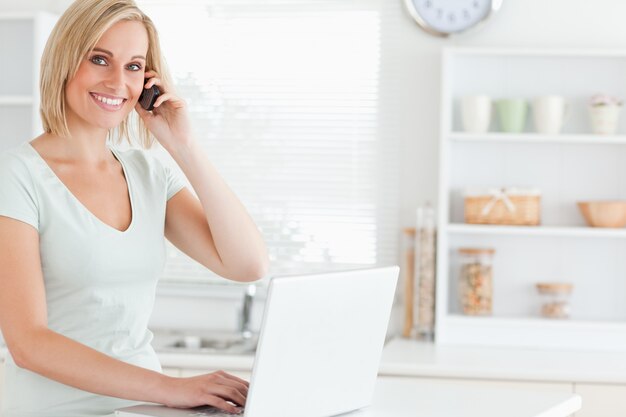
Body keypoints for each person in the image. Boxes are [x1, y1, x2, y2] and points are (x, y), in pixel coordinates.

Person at [0, 0, 269, 415]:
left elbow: (247, 264)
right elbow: (29, 343)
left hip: (143, 408)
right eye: (99, 59)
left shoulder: (148, 173)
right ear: (65, 61)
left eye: (133, 67)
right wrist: (170, 387)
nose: (117, 82)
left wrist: (183, 146)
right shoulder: (17, 176)